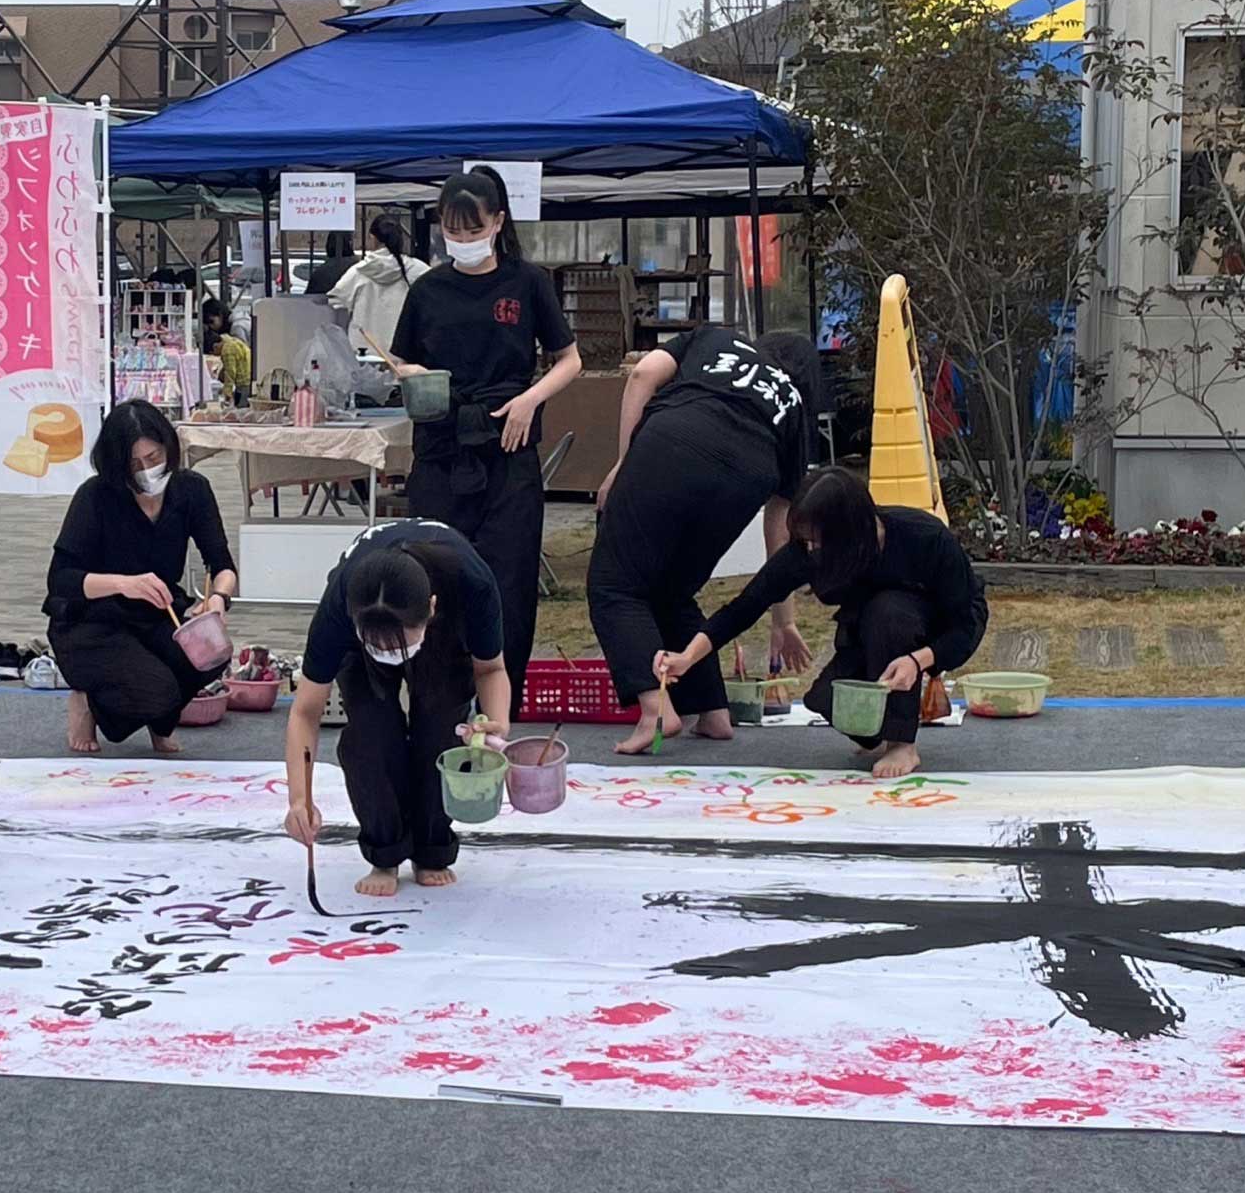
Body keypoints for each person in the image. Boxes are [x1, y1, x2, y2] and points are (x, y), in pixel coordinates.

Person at [389, 166, 582, 716]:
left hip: (508, 450)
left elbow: (570, 360)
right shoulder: (427, 289)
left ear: (497, 222)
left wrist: (530, 399)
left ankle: (502, 709)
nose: (464, 240)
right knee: (435, 575)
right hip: (443, 450)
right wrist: (414, 376)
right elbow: (401, 360)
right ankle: (438, 703)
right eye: (454, 230)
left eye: (474, 230)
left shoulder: (528, 283)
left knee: (509, 580)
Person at [656, 468, 991, 780]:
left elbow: (965, 624)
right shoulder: (808, 551)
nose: (812, 549)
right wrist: (687, 657)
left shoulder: (924, 538)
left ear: (851, 532)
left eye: (819, 541)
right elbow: (745, 606)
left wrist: (918, 660)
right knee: (832, 704)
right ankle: (878, 728)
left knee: (890, 613)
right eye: (805, 541)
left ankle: (902, 743)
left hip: (934, 623)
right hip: (867, 626)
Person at [587, 327, 819, 754]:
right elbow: (780, 522)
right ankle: (712, 711)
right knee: (674, 591)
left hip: (675, 440)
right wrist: (783, 620)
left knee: (614, 583)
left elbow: (642, 375)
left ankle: (656, 709)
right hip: (746, 478)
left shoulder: (717, 339)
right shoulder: (795, 408)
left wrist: (624, 463)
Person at [284, 520, 511, 899]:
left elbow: (491, 668)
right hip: (368, 631)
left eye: (398, 646)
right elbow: (305, 711)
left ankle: (432, 848)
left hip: (441, 631)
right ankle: (384, 852)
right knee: (370, 733)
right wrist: (298, 799)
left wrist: (496, 726)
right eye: (379, 645)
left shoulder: (471, 583)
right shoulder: (340, 606)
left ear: (431, 608)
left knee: (443, 729)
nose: (389, 655)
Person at [46, 401, 240, 756]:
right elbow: (61, 580)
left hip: (157, 613)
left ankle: (161, 722)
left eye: (154, 457)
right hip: (94, 621)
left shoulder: (192, 490)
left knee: (209, 653)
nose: (148, 470)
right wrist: (123, 583)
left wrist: (217, 601)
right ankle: (88, 700)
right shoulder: (96, 497)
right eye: (135, 465)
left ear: (168, 446)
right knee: (155, 691)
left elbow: (223, 565)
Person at [329, 215, 429, 356]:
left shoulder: (358, 272)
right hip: (404, 354)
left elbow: (335, 302)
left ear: (372, 238)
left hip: (365, 353)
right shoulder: (417, 270)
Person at [200, 297, 252, 391]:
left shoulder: (237, 328)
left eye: (211, 322)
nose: (211, 327)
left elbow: (239, 358)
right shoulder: (240, 319)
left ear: (220, 314)